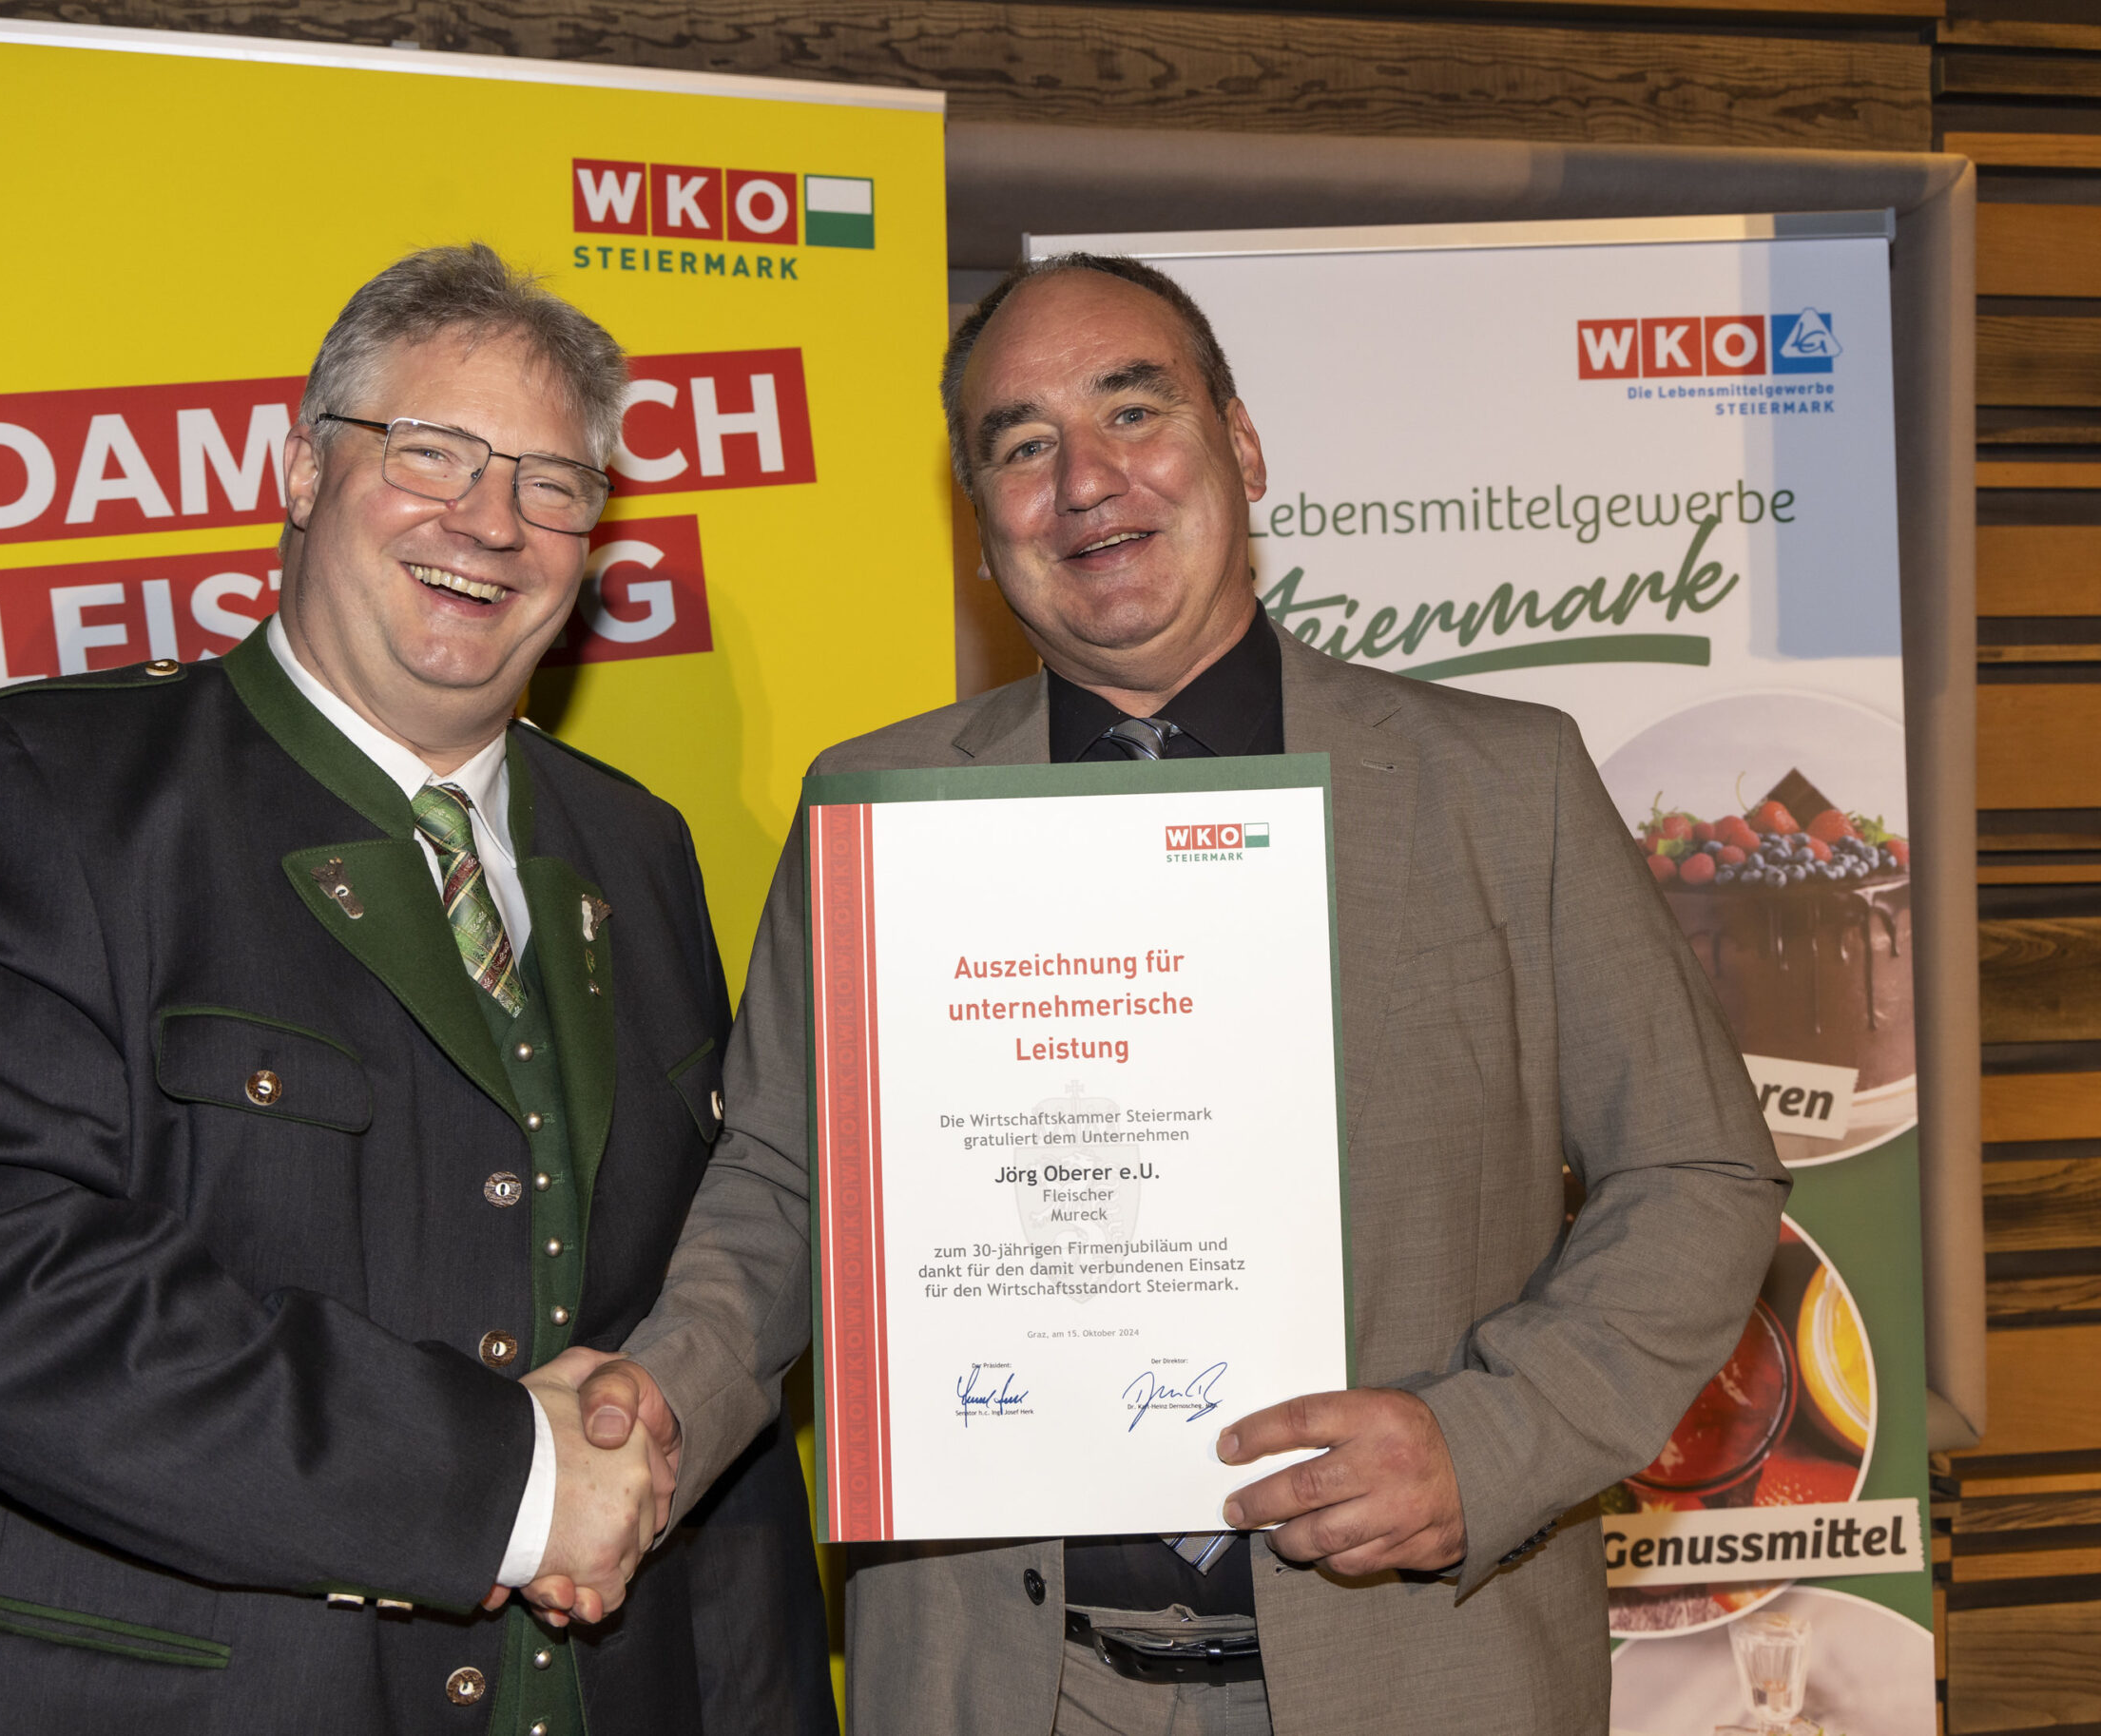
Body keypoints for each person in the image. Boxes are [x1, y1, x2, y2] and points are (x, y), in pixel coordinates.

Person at [556, 254, 1789, 1734]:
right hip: (1005, 1687)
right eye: (1022, 444)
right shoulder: (875, 809)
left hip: (1421, 1675)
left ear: (1243, 445)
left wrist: (1489, 1441)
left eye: (1133, 412)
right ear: (980, 520)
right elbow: (784, 1184)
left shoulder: (1503, 786)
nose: (1086, 480)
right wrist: (660, 1406)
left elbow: (1698, 1169)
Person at [0, 242, 832, 1736]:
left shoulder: (638, 844)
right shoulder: (48, 790)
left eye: (553, 483)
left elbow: (688, 1326)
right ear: (303, 470)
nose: (489, 520)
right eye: (431, 453)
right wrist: (506, 1479)